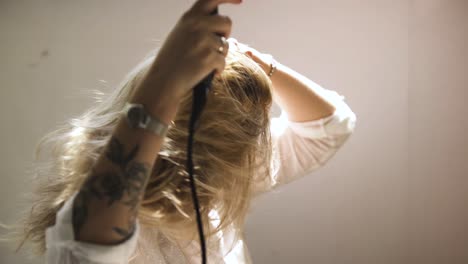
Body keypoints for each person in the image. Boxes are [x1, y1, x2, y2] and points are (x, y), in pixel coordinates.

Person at [14, 0, 357, 263]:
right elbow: (82, 252)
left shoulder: (221, 180)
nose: (259, 142)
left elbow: (329, 127)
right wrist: (167, 79)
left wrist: (258, 62)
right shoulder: (121, 219)